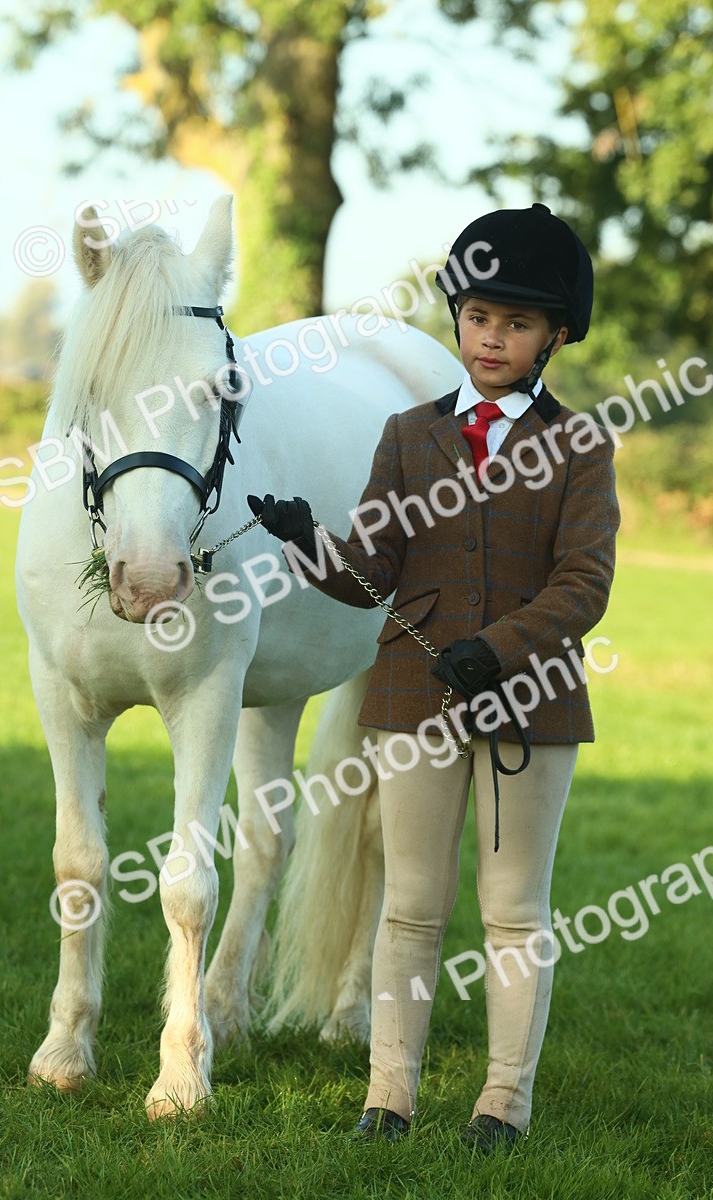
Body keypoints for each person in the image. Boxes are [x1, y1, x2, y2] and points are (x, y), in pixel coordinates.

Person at [248, 204, 620, 1154]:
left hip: (528, 706)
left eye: (518, 324)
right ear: (458, 318)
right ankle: (390, 1095)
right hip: (415, 700)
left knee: (512, 909)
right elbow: (372, 570)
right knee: (410, 904)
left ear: (555, 336)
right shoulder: (410, 435)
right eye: (479, 318)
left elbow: (585, 583)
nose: (492, 339)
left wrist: (496, 650)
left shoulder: (580, 448)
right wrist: (308, 544)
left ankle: (504, 1099)